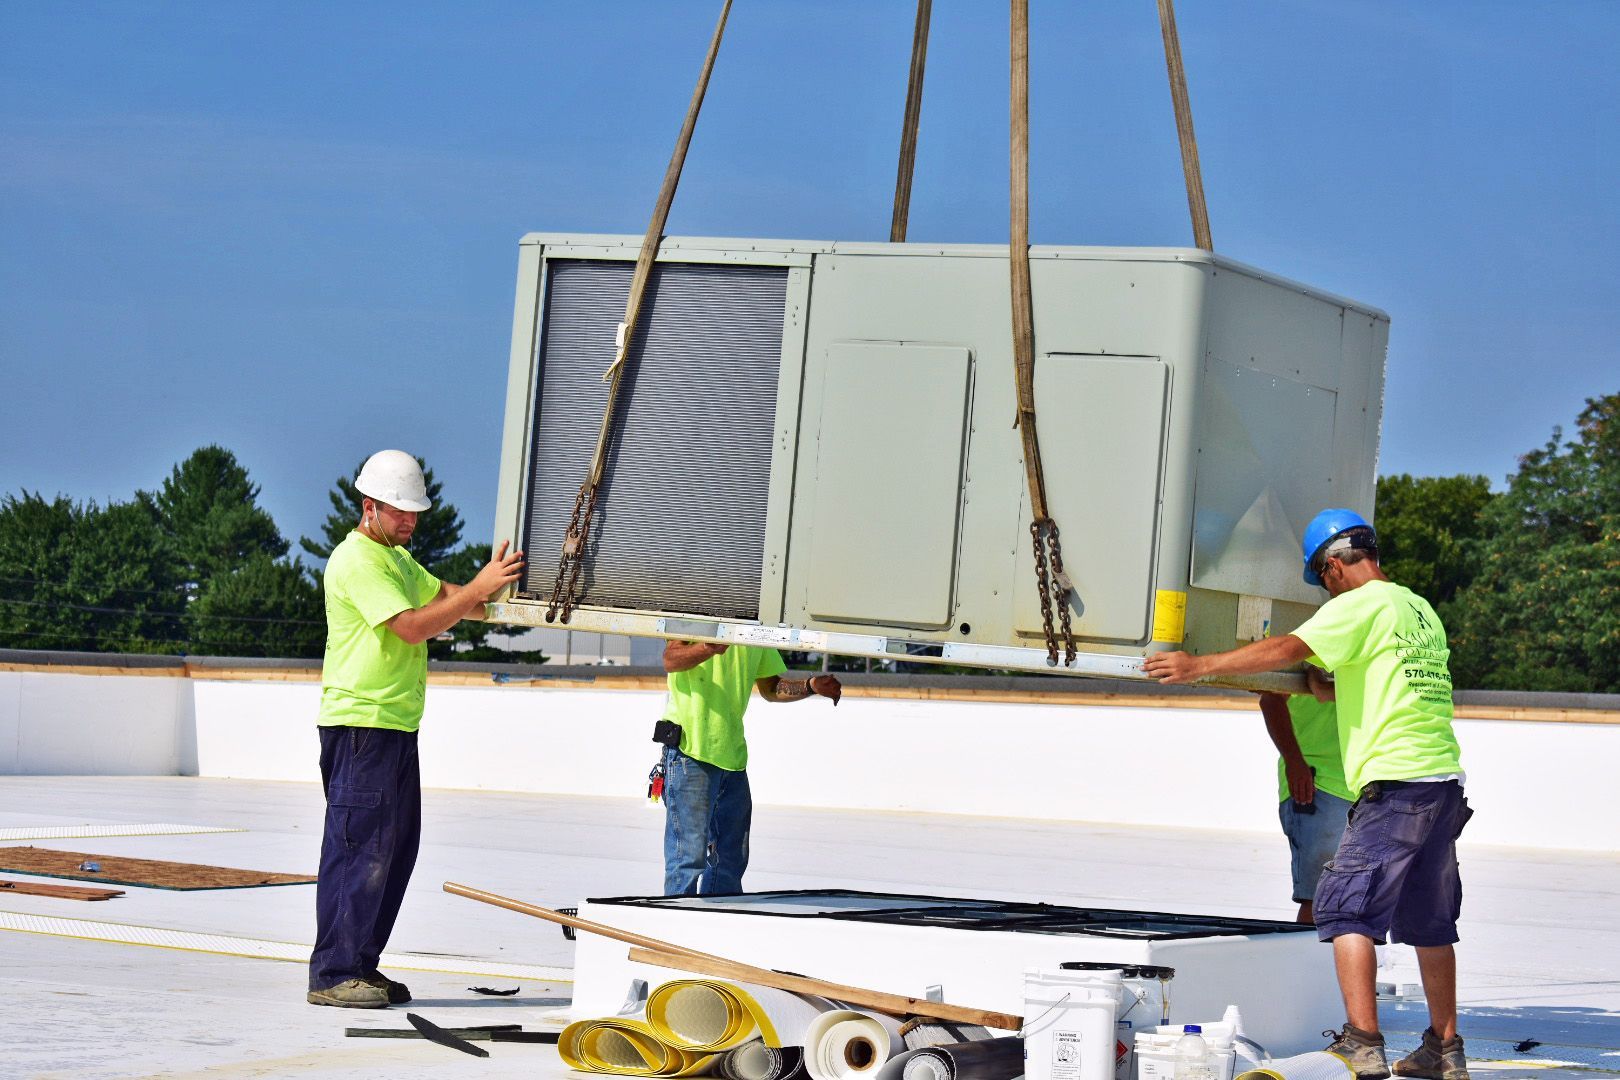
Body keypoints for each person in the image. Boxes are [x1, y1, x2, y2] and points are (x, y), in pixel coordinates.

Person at [1145, 509, 1471, 1080]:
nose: (1326, 589)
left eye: (1323, 578)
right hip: (1442, 784)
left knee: (1344, 909)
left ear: (1335, 565)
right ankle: (1445, 1051)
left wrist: (1200, 665)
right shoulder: (1416, 608)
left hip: (1393, 785)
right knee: (1430, 922)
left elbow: (1287, 650)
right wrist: (1330, 682)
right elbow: (1370, 672)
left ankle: (1362, 1045)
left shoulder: (1357, 604)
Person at [307, 450, 524, 1009]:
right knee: (361, 850)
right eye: (399, 511)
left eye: (414, 512)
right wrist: (476, 592)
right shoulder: (358, 561)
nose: (410, 521)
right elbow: (409, 628)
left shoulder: (398, 561)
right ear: (369, 506)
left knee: (394, 850)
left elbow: (449, 600)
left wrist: (501, 592)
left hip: (394, 727)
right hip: (361, 728)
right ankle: (332, 972)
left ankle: (359, 964)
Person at [658, 642, 842, 896]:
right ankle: (674, 927)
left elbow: (771, 688)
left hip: (732, 758)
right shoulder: (697, 615)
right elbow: (671, 659)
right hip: (690, 753)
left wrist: (811, 685)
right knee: (687, 858)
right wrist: (708, 647)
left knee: (730, 859)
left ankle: (720, 918)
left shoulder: (755, 632)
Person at [1258, 672, 1351, 925]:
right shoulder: (1304, 643)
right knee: (1320, 899)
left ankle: (1338, 965)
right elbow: (1271, 700)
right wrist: (1294, 761)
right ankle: (1307, 964)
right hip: (1315, 784)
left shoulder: (1365, 643)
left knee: (1351, 898)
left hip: (1362, 786)